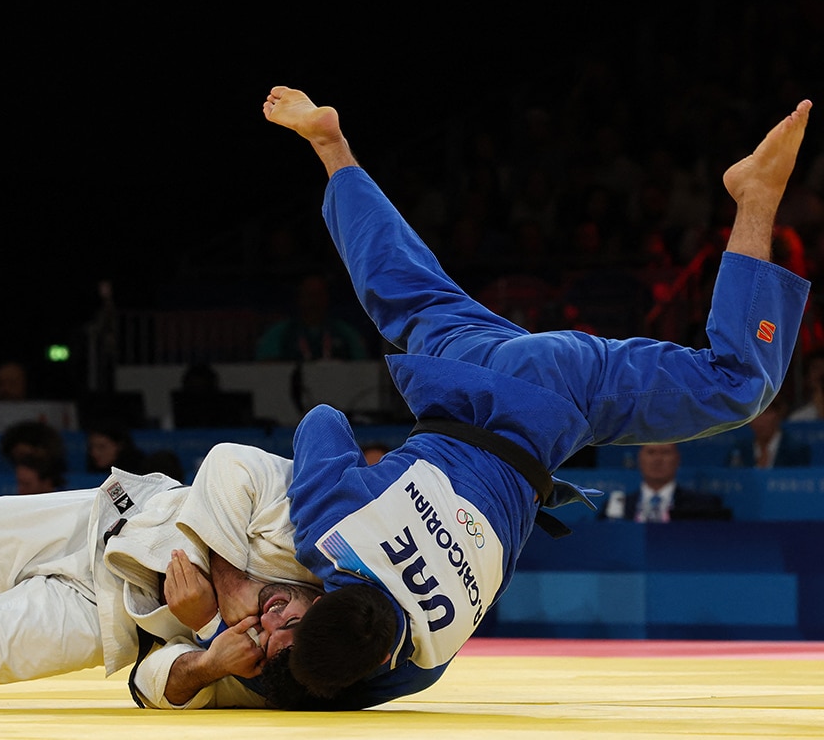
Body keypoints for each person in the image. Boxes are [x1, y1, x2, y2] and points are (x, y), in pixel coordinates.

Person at [245, 87, 811, 708]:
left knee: (738, 385)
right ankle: (332, 146)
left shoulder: (431, 651)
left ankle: (756, 196)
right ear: (326, 597)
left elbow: (376, 681)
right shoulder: (327, 534)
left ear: (383, 657)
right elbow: (323, 421)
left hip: (550, 400)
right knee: (400, 288)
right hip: (456, 377)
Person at [0, 444, 321, 711]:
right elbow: (231, 462)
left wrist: (207, 648)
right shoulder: (319, 538)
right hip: (95, 518)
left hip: (103, 617)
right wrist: (230, 589)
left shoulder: (267, 673)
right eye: (300, 622)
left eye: (279, 643)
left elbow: (149, 683)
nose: (276, 625)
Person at [597, 443, 729, 521]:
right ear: (640, 459)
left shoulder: (704, 506)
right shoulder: (614, 506)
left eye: (665, 452)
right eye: (651, 452)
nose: (657, 459)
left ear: (677, 459)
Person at [255, 273, 369, 361]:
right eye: (309, 295)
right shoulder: (280, 333)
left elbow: (363, 365)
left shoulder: (345, 332)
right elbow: (264, 366)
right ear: (299, 298)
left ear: (327, 298)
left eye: (318, 295)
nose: (313, 302)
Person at [728, 394, 812, 468]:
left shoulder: (796, 451)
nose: (760, 421)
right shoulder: (739, 450)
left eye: (766, 413)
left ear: (778, 414)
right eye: (755, 415)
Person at [84, 418, 149, 474]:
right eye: (91, 447)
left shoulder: (141, 470)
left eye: (101, 447)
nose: (94, 453)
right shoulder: (91, 471)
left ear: (120, 446)